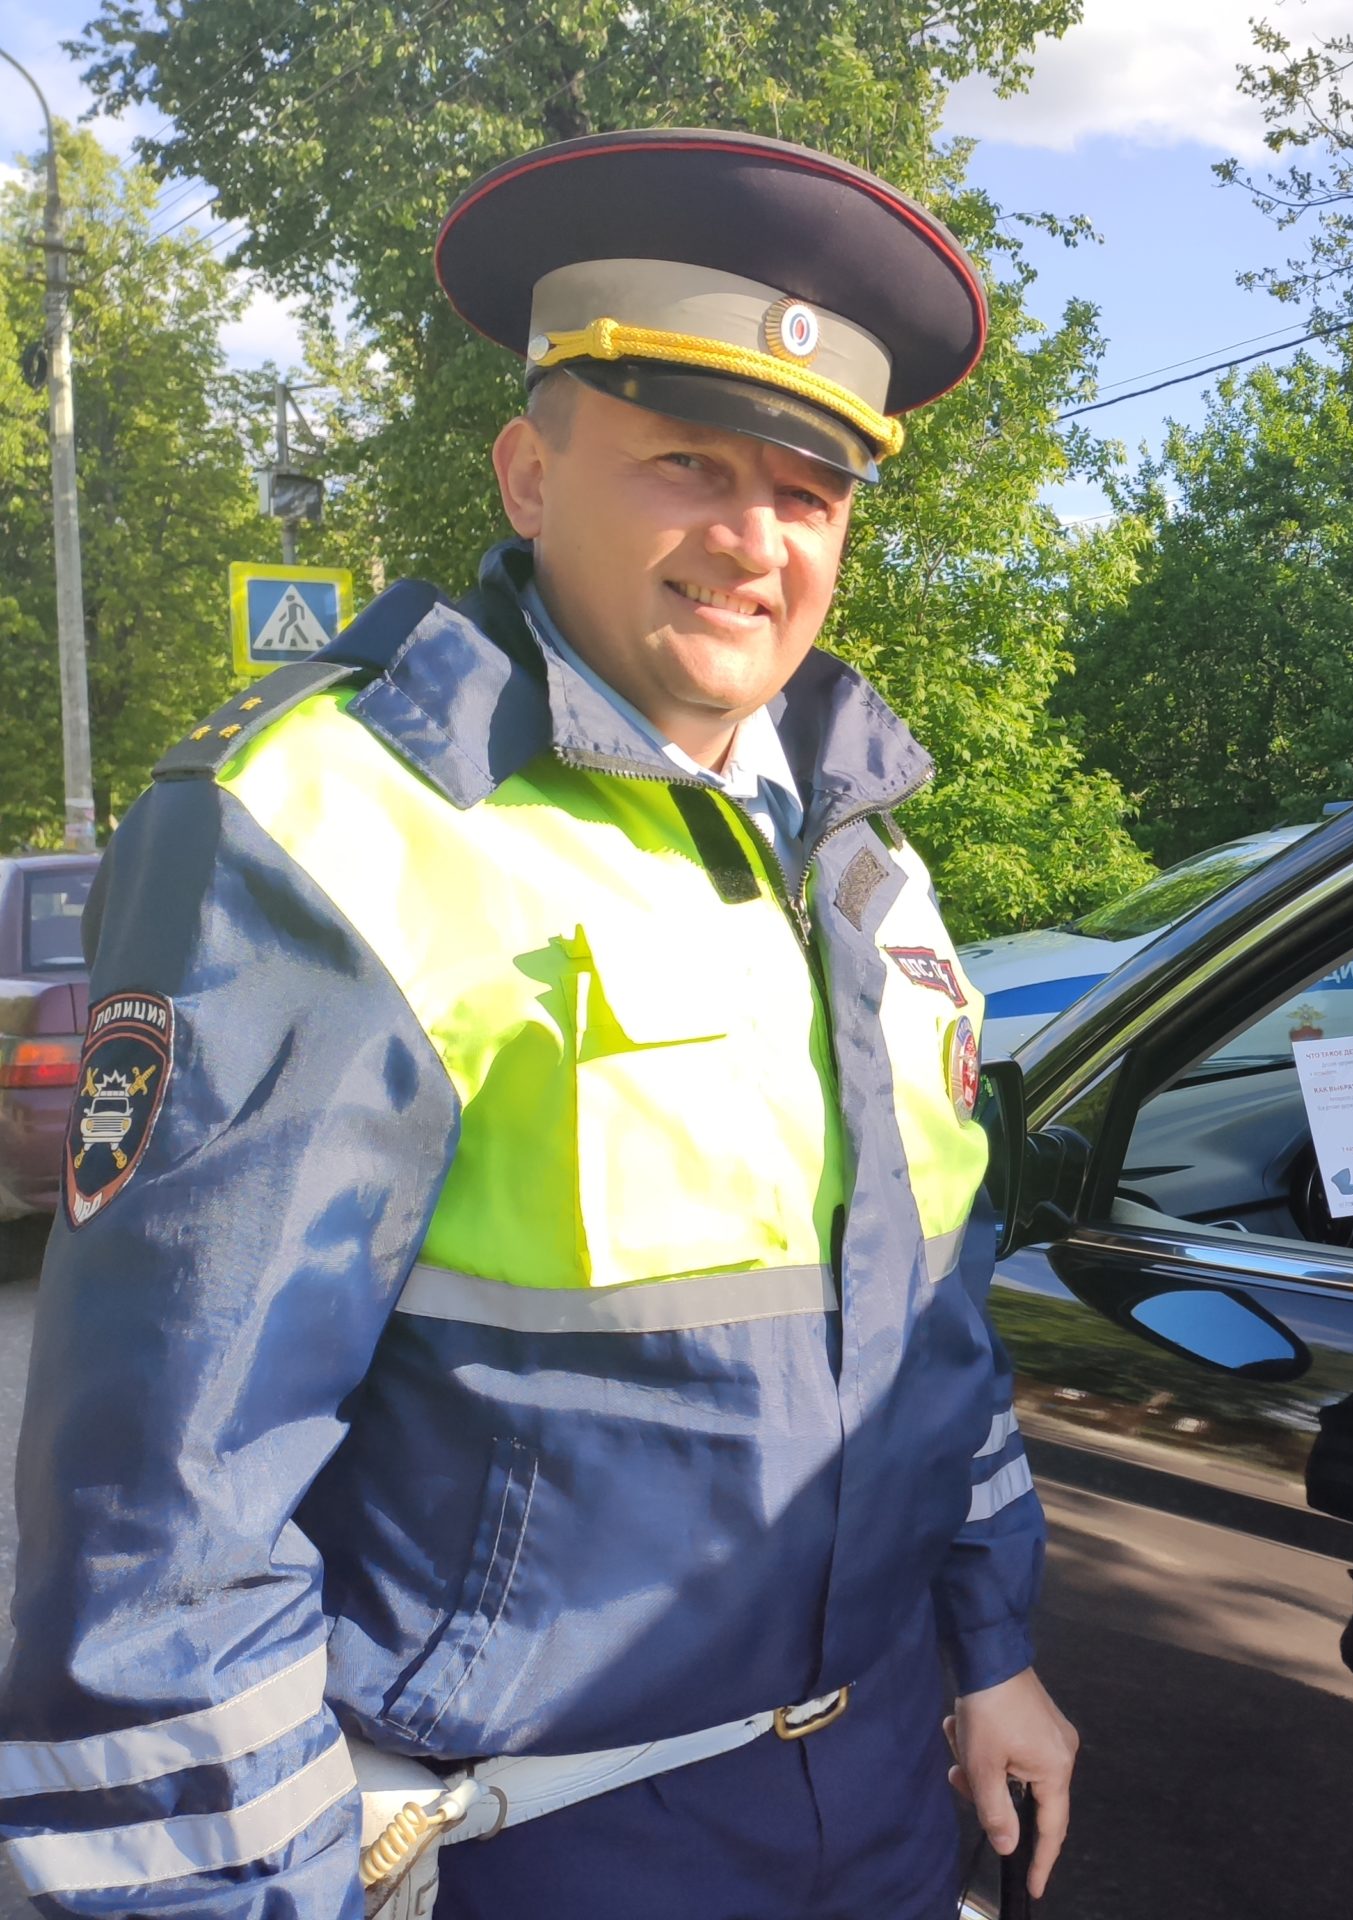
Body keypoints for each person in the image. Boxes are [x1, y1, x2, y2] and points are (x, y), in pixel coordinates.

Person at [0, 130, 1075, 1920]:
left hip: (875, 1790)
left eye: (810, 495)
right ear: (527, 470)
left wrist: (992, 1649)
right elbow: (167, 1515)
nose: (752, 540)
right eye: (685, 465)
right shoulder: (333, 822)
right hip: (541, 1843)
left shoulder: (863, 853)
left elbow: (929, 1323)